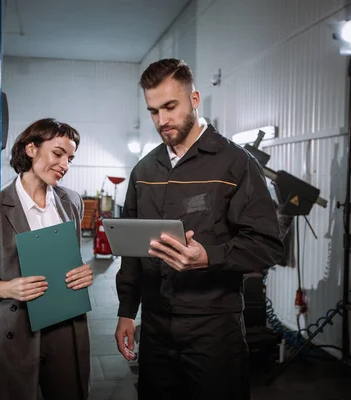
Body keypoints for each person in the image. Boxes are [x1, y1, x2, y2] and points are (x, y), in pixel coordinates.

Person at [114, 59, 284, 399]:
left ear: (194, 99)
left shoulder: (235, 163)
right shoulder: (144, 170)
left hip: (214, 329)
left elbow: (268, 244)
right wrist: (125, 312)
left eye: (170, 107)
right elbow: (132, 252)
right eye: (153, 111)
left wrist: (210, 256)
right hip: (156, 329)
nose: (161, 121)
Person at [0, 118, 93, 400]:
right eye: (58, 154)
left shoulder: (72, 202)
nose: (65, 165)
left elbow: (72, 261)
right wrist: (8, 288)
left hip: (64, 327)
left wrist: (84, 271)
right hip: (13, 328)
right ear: (31, 148)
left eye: (70, 158)